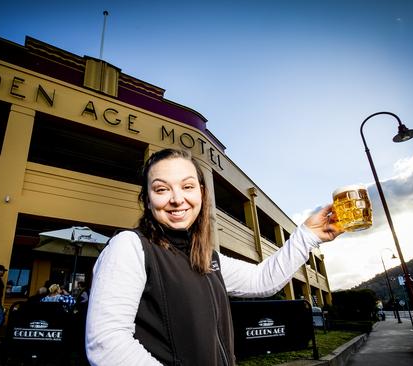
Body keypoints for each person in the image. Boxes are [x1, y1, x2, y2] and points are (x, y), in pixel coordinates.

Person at [85, 148, 343, 365]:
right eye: (162, 189)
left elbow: (262, 280)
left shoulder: (207, 257)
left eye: (187, 186)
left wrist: (308, 235)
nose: (177, 199)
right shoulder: (129, 246)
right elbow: (106, 343)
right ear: (147, 200)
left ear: (201, 194)